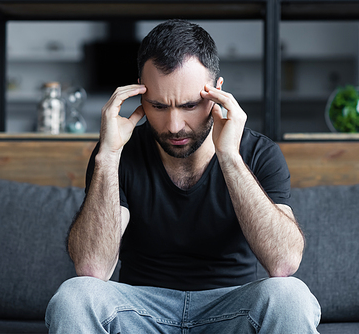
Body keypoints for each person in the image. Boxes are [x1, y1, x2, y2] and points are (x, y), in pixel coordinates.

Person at [45, 19, 321, 333]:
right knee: (73, 296)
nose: (174, 125)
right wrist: (107, 157)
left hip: (231, 310)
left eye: (190, 105)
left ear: (218, 91)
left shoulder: (258, 153)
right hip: (142, 312)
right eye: (158, 106)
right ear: (139, 93)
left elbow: (284, 263)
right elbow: (92, 268)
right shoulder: (118, 153)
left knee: (291, 295)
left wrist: (229, 156)